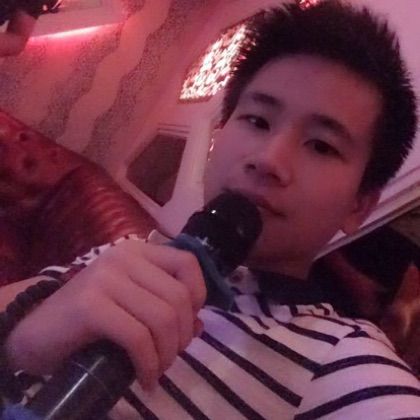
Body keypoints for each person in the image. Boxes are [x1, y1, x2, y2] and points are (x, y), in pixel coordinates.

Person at [1, 0, 420, 418]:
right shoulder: (129, 251)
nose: (268, 159)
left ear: (359, 205)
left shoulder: (340, 361)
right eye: (257, 121)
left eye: (322, 146)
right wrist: (21, 345)